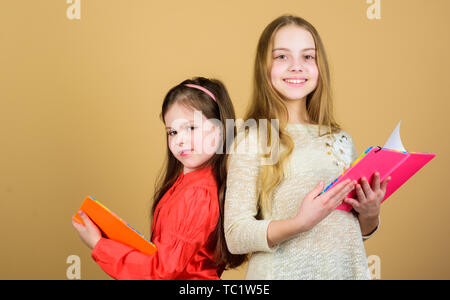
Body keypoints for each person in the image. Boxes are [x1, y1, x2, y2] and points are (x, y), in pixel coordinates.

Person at [224, 15, 391, 279]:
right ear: (263, 68)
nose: (296, 67)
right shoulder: (253, 138)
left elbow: (345, 231)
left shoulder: (341, 140)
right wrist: (300, 223)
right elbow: (235, 235)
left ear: (319, 66)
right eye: (282, 57)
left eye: (307, 57)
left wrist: (370, 214)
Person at [72, 77, 246, 279]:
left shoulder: (198, 193)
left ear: (219, 129)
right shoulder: (185, 183)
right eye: (172, 132)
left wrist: (99, 245)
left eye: (191, 128)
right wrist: (115, 236)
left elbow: (162, 271)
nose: (180, 140)